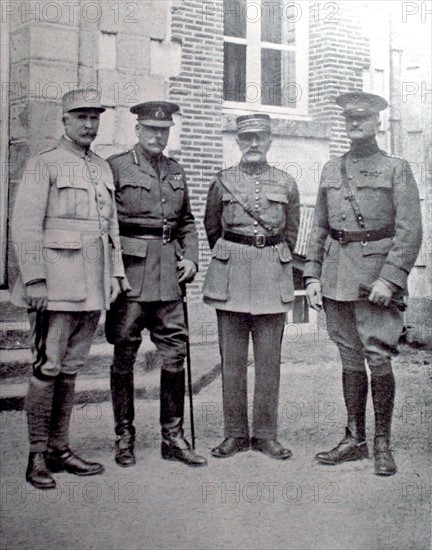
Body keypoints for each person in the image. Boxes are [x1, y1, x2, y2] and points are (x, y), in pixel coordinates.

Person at [11, 88, 126, 489]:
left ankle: (60, 448)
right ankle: (36, 454)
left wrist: (115, 276)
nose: (89, 125)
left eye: (95, 117)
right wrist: (35, 279)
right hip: (55, 285)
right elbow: (25, 225)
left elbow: (110, 230)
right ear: (64, 120)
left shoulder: (102, 168)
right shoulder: (44, 164)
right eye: (81, 117)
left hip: (91, 287)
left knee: (71, 370)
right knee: (47, 367)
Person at [304, 91, 422, 476]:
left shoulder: (396, 169)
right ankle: (354, 438)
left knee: (378, 356)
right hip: (337, 277)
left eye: (363, 118)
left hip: (375, 280)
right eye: (349, 119)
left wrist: (391, 278)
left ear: (377, 123)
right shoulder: (330, 170)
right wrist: (312, 274)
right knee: (349, 357)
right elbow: (319, 226)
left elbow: (409, 231)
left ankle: (382, 442)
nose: (355, 124)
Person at [106, 101, 207, 467]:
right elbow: (105, 225)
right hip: (130, 272)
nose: (157, 135)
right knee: (125, 353)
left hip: (168, 274)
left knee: (175, 355)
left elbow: (186, 223)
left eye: (163, 130)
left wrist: (192, 257)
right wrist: (111, 271)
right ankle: (124, 437)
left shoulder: (176, 171)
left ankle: (173, 436)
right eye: (150, 129)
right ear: (137, 130)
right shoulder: (116, 167)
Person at [203, 114, 300, 459]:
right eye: (247, 139)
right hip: (231, 276)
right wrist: (236, 253)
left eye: (260, 138)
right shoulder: (223, 181)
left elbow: (290, 232)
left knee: (268, 361)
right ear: (238, 142)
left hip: (271, 276)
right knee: (231, 360)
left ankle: (265, 434)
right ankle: (234, 434)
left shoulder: (286, 183)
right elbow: (212, 227)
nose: (254, 144)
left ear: (270, 141)